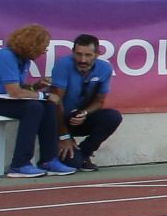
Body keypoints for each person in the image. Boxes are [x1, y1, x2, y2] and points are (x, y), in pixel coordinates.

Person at [0, 24, 65, 178]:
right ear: (31, 45)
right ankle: (19, 164)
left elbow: (17, 88)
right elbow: (15, 92)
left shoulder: (24, 60)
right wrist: (45, 95)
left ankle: (48, 160)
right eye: (43, 46)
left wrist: (36, 86)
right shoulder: (6, 56)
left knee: (47, 106)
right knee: (34, 107)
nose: (45, 50)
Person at [49, 32, 123, 170]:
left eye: (88, 55)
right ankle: (76, 157)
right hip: (58, 120)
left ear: (97, 54)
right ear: (73, 52)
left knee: (113, 116)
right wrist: (64, 136)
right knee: (72, 164)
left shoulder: (105, 68)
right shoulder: (63, 64)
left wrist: (84, 113)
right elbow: (55, 101)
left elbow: (99, 102)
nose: (82, 60)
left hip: (79, 118)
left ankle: (83, 153)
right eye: (78, 54)